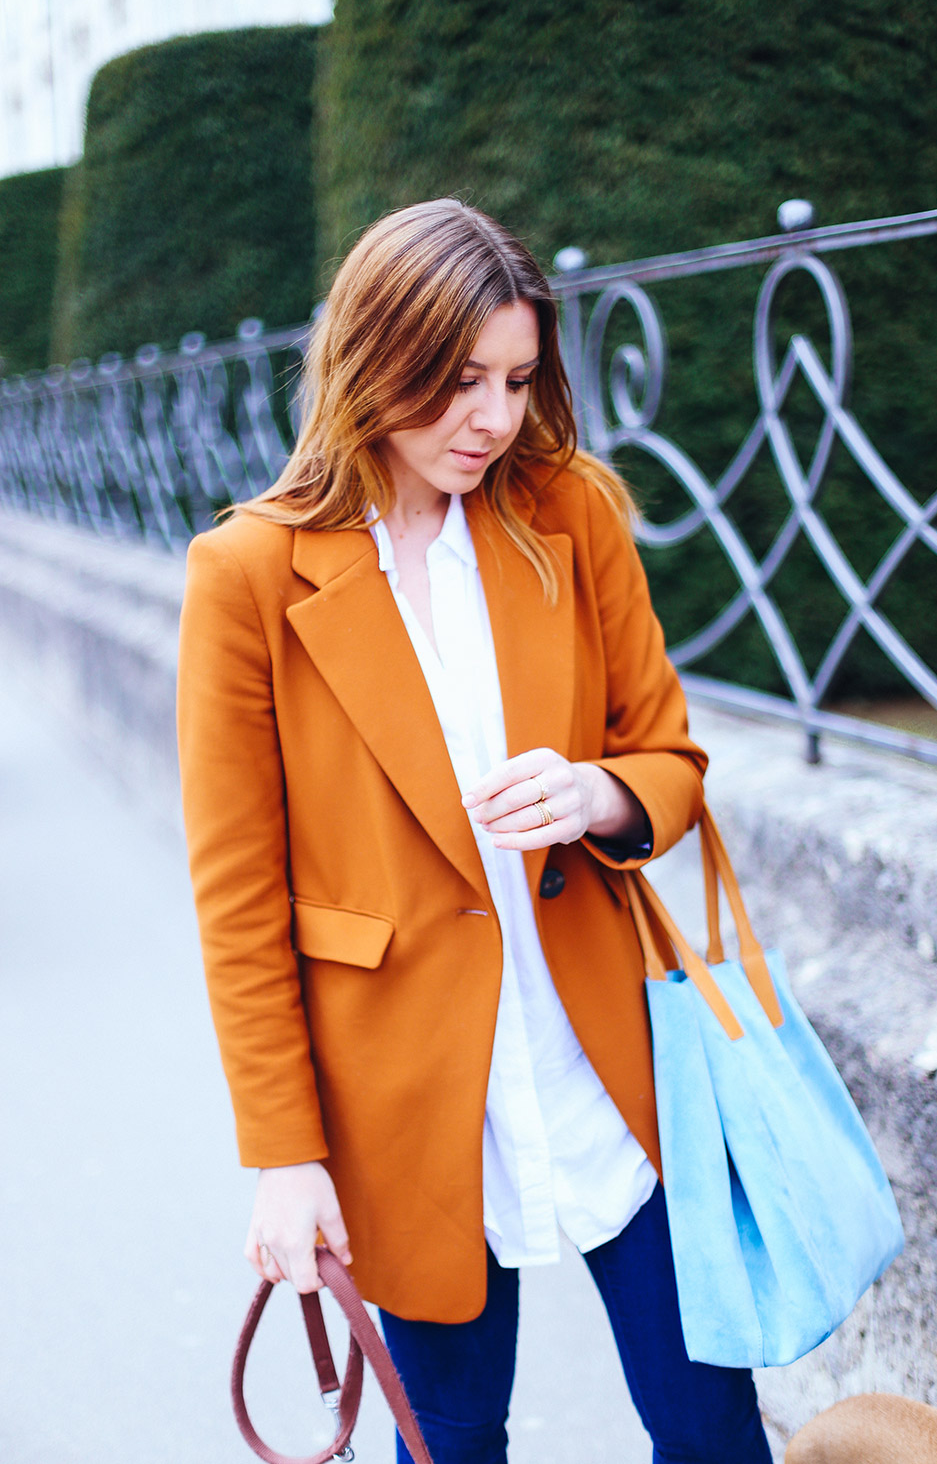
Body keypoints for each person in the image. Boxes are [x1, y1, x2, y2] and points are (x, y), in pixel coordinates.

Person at [177, 198, 772, 1464]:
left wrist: (597, 796)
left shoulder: (569, 514)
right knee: (448, 1435)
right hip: (406, 1094)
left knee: (713, 1425)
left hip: (610, 1064)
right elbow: (238, 903)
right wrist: (285, 1159)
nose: (493, 419)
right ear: (369, 361)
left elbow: (670, 757)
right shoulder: (248, 578)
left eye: (514, 379)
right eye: (455, 383)